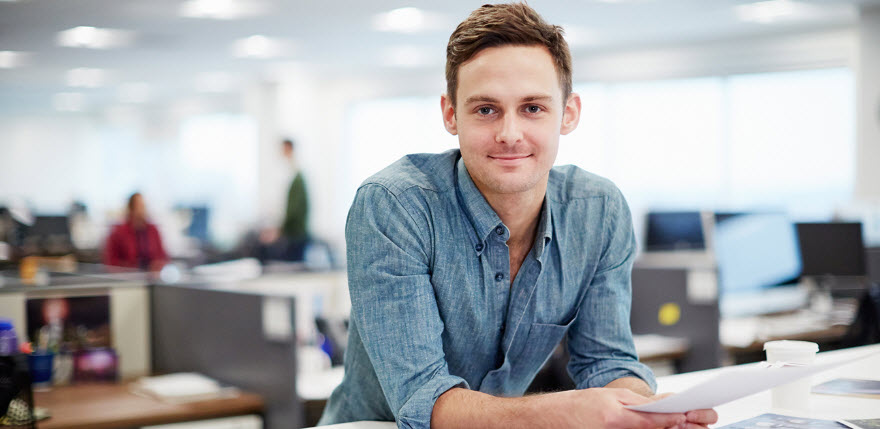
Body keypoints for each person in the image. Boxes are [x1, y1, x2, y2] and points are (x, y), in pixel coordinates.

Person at [319, 4, 718, 429]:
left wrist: (653, 412)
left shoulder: (599, 211)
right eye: (486, 109)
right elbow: (423, 402)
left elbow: (607, 361)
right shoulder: (394, 206)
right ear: (451, 114)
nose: (510, 134)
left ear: (569, 113)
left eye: (532, 108)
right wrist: (566, 411)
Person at [103, 192, 168, 271]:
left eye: (144, 206)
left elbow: (162, 256)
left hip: (152, 277)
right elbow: (111, 262)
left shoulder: (153, 230)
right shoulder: (118, 232)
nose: (143, 209)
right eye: (139, 206)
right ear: (131, 208)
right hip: (128, 278)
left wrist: (158, 265)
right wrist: (130, 267)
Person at [279, 138, 310, 261]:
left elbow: (294, 209)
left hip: (296, 234)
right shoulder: (292, 174)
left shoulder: (297, 177)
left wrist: (280, 230)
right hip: (293, 233)